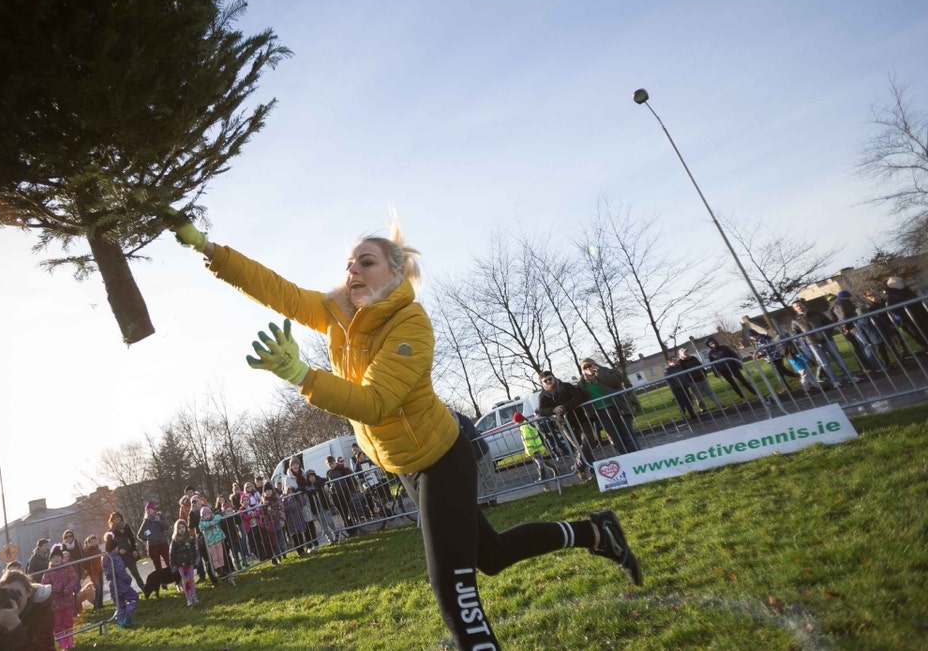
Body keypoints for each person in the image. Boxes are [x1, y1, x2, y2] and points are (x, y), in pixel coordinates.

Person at [169, 214, 642, 649]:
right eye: (349, 264)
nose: (353, 271)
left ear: (396, 273)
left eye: (366, 262)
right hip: (403, 466)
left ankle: (591, 536)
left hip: (441, 459)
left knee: (453, 590)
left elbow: (376, 404)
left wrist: (303, 377)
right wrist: (207, 247)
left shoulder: (411, 323)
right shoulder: (338, 314)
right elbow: (279, 291)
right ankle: (595, 532)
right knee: (492, 555)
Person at [534, 370, 599, 478]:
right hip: (564, 424)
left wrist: (564, 407)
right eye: (545, 381)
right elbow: (541, 411)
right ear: (542, 383)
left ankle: (578, 467)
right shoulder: (543, 396)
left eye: (550, 378)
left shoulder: (566, 386)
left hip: (580, 418)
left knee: (589, 442)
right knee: (579, 447)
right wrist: (553, 410)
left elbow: (580, 397)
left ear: (554, 377)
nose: (549, 381)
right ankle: (593, 472)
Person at [789, 299, 860, 387]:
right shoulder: (795, 320)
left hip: (827, 340)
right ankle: (835, 381)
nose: (799, 307)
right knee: (824, 363)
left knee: (839, 359)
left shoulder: (816, 313)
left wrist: (826, 333)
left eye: (800, 305)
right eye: (797, 306)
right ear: (794, 309)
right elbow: (794, 333)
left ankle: (850, 377)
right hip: (813, 343)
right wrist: (805, 338)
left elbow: (829, 323)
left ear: (804, 305)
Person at [577, 358, 640, 454]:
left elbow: (616, 382)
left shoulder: (607, 371)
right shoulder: (582, 382)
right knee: (615, 440)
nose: (588, 368)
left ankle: (638, 457)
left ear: (595, 364)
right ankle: (626, 460)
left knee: (628, 436)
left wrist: (599, 372)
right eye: (584, 367)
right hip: (602, 414)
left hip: (619, 408)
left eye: (589, 365)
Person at [39, 547, 78, 650]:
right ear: (50, 560)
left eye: (58, 556)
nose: (56, 559)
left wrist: (66, 590)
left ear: (61, 557)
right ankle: (62, 644)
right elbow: (45, 586)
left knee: (68, 621)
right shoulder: (47, 573)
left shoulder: (67, 567)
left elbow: (74, 579)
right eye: (53, 557)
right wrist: (56, 590)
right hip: (55, 603)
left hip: (67, 600)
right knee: (58, 623)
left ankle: (70, 642)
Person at [454, 410, 497, 495]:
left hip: (481, 451)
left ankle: (492, 497)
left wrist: (459, 442)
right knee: (476, 479)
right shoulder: (450, 426)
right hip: (468, 456)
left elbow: (472, 433)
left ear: (454, 415)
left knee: (488, 476)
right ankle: (482, 500)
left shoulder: (464, 420)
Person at [101, 533, 138, 628]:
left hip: (113, 585)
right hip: (122, 584)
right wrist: (128, 579)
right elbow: (120, 571)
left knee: (120, 606)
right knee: (133, 597)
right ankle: (127, 616)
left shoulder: (104, 559)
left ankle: (121, 624)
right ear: (114, 548)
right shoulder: (116, 558)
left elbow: (108, 574)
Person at [882, 276, 928, 350]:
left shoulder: (905, 292)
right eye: (901, 282)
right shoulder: (891, 298)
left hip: (921, 316)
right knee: (922, 337)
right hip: (911, 322)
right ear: (895, 284)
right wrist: (905, 321)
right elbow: (896, 313)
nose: (903, 283)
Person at [512, 412, 557, 483]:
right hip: (536, 447)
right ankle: (543, 477)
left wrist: (530, 451)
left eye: (515, 422)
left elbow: (528, 440)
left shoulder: (524, 427)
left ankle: (547, 474)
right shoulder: (527, 424)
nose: (515, 424)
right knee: (540, 462)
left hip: (533, 448)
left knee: (540, 462)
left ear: (519, 421)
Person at [107, 511, 145, 592]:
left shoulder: (126, 527)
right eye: (114, 518)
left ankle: (145, 590)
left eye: (118, 517)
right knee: (124, 577)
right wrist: (118, 550)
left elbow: (132, 539)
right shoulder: (110, 531)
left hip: (129, 553)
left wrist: (134, 550)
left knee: (136, 573)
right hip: (119, 557)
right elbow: (109, 546)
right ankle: (129, 594)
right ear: (112, 520)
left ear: (121, 518)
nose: (117, 519)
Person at [169, 519, 200, 606]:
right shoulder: (175, 541)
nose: (182, 529)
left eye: (183, 527)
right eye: (179, 528)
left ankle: (194, 595)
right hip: (181, 565)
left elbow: (195, 549)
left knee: (191, 580)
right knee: (185, 581)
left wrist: (197, 559)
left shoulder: (190, 538)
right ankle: (188, 597)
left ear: (186, 528)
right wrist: (173, 565)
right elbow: (172, 554)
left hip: (189, 563)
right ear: (176, 530)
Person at [137, 502, 172, 574]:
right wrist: (148, 537)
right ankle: (162, 582)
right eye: (146, 510)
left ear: (153, 509)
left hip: (163, 543)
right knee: (157, 566)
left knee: (169, 562)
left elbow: (167, 527)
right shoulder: (146, 521)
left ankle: (176, 578)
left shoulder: (160, 516)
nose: (148, 511)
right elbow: (139, 535)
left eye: (149, 509)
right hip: (152, 546)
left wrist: (159, 521)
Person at [663, 356, 699, 421]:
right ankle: (684, 415)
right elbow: (669, 380)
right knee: (681, 402)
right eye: (674, 361)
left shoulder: (680, 367)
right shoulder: (667, 370)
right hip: (677, 389)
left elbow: (685, 375)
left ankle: (692, 413)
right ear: (669, 363)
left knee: (688, 400)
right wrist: (677, 386)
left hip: (684, 386)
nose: (676, 361)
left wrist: (687, 383)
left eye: (676, 360)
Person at [81, 534, 105, 610]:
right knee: (97, 587)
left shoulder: (98, 550)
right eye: (92, 541)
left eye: (95, 541)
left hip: (99, 570)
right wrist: (88, 569)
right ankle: (96, 605)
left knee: (101, 587)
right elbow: (85, 562)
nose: (94, 543)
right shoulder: (87, 551)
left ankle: (100, 604)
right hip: (93, 572)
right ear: (88, 543)